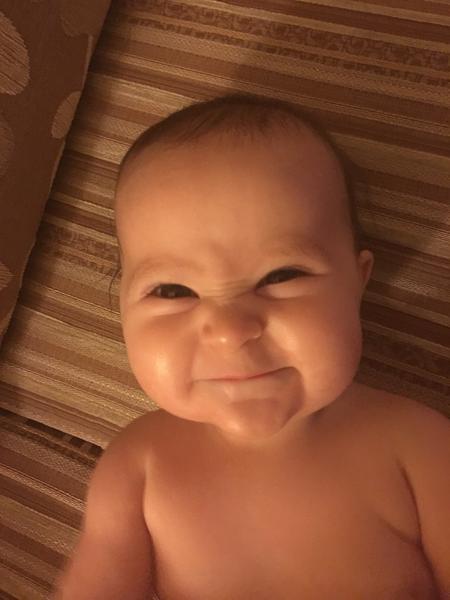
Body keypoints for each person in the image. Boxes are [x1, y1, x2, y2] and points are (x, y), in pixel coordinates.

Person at [52, 93, 450, 599]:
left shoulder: (419, 445)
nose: (229, 330)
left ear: (358, 280)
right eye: (172, 291)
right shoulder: (138, 465)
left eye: (281, 276)